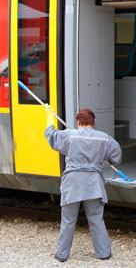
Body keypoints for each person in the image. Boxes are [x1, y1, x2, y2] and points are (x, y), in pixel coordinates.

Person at [44, 106, 122, 262]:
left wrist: (48, 115)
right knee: (95, 218)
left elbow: (51, 136)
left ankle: (62, 254)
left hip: (72, 183)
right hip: (93, 184)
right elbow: (117, 158)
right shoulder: (104, 138)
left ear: (78, 121)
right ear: (93, 122)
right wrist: (103, 156)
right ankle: (103, 253)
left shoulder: (69, 135)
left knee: (68, 220)